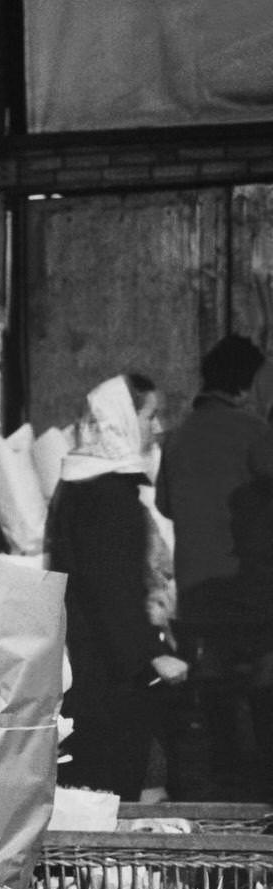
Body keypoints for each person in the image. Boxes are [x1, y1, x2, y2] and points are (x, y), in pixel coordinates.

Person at [47, 375, 188, 799]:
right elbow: (113, 590)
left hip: (85, 666)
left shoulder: (79, 484)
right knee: (113, 788)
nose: (158, 427)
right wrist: (152, 654)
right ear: (123, 420)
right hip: (108, 677)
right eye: (150, 416)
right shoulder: (109, 495)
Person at [156, 334, 273, 791]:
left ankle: (221, 779)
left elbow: (165, 505)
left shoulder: (178, 437)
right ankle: (255, 785)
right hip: (250, 590)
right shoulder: (255, 432)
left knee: (211, 694)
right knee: (258, 691)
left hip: (196, 589)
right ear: (247, 384)